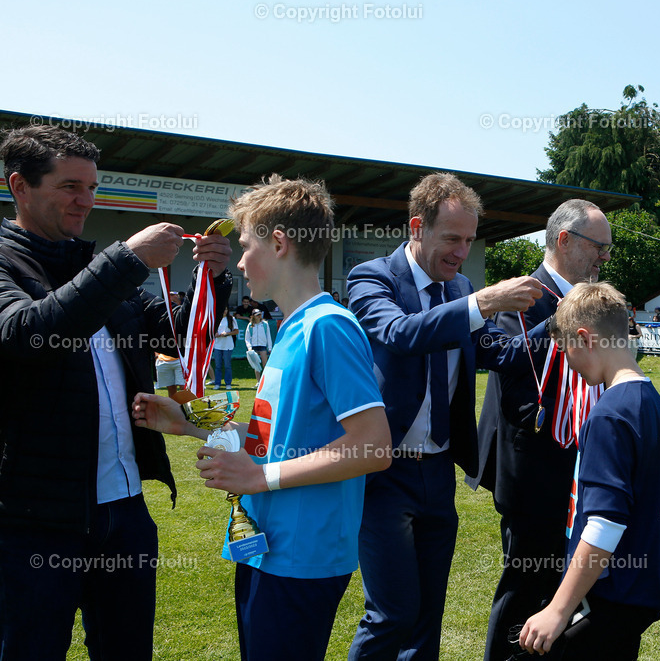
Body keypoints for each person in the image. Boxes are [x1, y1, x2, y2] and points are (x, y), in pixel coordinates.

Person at [133, 175, 392, 661]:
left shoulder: (328, 327)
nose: (241, 260)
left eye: (246, 244)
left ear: (278, 243)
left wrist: (259, 477)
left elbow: (373, 446)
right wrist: (187, 421)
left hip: (301, 556)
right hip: (268, 546)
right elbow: (277, 436)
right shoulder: (295, 327)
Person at [0, 124, 232, 660]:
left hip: (123, 513)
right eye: (69, 187)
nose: (86, 200)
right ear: (20, 187)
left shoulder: (92, 269)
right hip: (33, 522)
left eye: (91, 186)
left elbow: (168, 331)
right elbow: (27, 333)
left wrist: (210, 282)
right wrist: (125, 259)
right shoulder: (10, 264)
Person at [346, 172, 543, 660]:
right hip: (383, 472)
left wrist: (558, 327)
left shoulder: (461, 289)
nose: (461, 251)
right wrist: (483, 301)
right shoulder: (372, 277)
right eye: (452, 238)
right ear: (417, 227)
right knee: (391, 613)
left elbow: (497, 351)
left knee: (427, 614)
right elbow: (402, 334)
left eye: (470, 240)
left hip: (438, 472)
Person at [473, 199, 613, 661]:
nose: (605, 258)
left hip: (577, 473)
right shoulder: (522, 294)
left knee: (561, 592)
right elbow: (505, 360)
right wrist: (561, 320)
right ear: (565, 240)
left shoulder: (585, 299)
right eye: (599, 247)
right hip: (531, 471)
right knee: (524, 586)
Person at [518, 282, 660, 659]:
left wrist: (558, 609)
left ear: (585, 338)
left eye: (565, 347)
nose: (567, 360)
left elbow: (606, 523)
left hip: (612, 593)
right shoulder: (646, 397)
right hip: (636, 588)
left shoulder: (610, 413)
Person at [212, 305, 238, 389]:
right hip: (217, 345)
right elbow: (211, 331)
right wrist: (215, 334)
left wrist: (227, 333)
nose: (224, 311)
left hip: (228, 345)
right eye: (223, 309)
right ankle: (217, 383)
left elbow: (236, 331)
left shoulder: (231, 319)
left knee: (227, 365)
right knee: (218, 365)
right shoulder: (216, 319)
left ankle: (228, 384)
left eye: (226, 309)